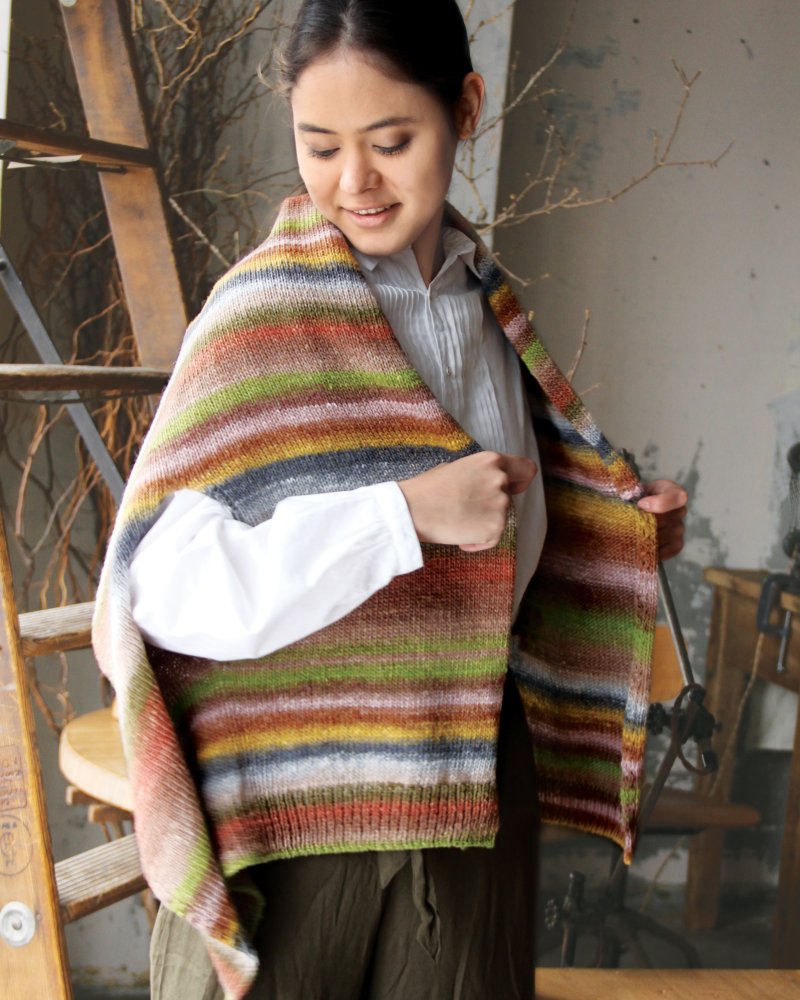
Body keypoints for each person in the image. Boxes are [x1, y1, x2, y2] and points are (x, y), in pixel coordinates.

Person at [92, 1, 688, 997]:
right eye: (320, 146)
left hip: (465, 796)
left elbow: (508, 535)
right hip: (294, 811)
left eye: (391, 142)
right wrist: (399, 516)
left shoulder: (488, 307)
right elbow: (154, 590)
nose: (353, 182)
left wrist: (623, 532)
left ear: (466, 107)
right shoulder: (261, 315)